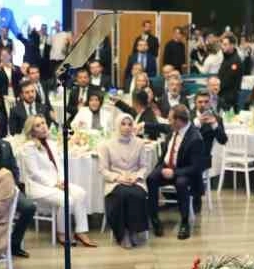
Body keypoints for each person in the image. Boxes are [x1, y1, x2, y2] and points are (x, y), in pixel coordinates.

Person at [17, 115, 93, 248]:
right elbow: (34, 173)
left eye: (43, 123)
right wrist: (54, 184)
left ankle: (81, 231)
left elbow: (59, 166)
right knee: (67, 200)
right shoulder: (28, 147)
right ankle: (62, 232)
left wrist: (62, 181)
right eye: (38, 125)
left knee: (81, 193)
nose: (43, 127)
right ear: (32, 131)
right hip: (38, 187)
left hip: (57, 183)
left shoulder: (50, 143)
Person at [146, 105, 208, 240]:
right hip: (167, 166)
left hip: (185, 172)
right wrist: (160, 168)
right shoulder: (174, 129)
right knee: (151, 178)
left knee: (181, 183)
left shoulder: (195, 138)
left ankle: (185, 222)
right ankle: (154, 218)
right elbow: (161, 130)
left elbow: (196, 168)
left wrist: (174, 172)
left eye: (170, 120)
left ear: (178, 121)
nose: (168, 123)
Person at [98, 114, 151, 248]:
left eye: (129, 124)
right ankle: (122, 234)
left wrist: (136, 176)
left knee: (138, 194)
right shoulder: (106, 145)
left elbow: (144, 166)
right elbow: (103, 169)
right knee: (122, 194)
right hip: (115, 181)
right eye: (123, 124)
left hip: (134, 180)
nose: (127, 127)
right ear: (117, 125)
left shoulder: (139, 143)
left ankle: (134, 230)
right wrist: (118, 178)